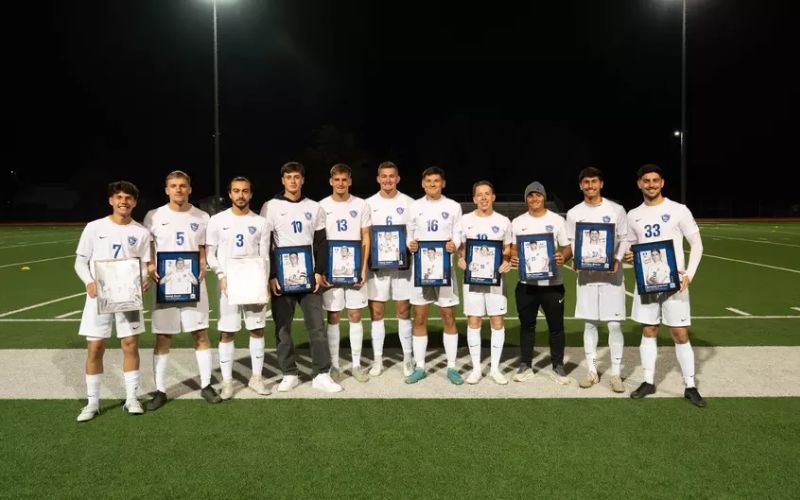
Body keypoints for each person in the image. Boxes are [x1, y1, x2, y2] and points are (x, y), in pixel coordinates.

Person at [624, 164, 705, 407]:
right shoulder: (633, 214)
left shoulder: (678, 210)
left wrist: (689, 274)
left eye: (655, 180)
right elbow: (631, 246)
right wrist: (629, 255)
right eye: (646, 181)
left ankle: (690, 386)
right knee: (648, 330)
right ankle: (648, 381)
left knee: (679, 334)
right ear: (639, 184)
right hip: (647, 282)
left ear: (662, 183)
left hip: (674, 283)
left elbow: (697, 245)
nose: (651, 184)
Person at [142, 170, 221, 410]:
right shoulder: (153, 215)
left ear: (189, 189)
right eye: (174, 186)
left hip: (193, 282)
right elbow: (148, 247)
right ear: (166, 189)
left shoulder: (202, 216)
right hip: (165, 284)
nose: (178, 189)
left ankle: (206, 385)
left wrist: (204, 264)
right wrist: (151, 265)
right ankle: (161, 390)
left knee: (200, 333)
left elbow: (203, 248)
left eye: (183, 185)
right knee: (163, 336)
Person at [261, 162, 342, 393]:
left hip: (309, 277)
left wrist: (319, 272)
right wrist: (272, 275)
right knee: (282, 328)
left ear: (303, 180)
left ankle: (321, 373)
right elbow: (266, 243)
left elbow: (320, 242)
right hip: (283, 278)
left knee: (316, 327)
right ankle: (289, 372)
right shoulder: (271, 206)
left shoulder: (314, 207)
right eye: (289, 177)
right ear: (283, 180)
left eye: (297, 177)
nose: (293, 181)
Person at [74, 181, 152, 422]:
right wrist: (89, 281)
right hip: (99, 295)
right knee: (95, 347)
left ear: (135, 202)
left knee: (130, 344)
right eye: (119, 197)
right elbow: (80, 261)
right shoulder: (94, 227)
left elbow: (145, 264)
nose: (123, 201)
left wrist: (145, 278)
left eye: (128, 198)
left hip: (128, 295)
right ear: (111, 200)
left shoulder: (141, 232)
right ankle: (92, 402)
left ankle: (131, 398)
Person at [206, 176, 271, 400]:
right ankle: (227, 382)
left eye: (245, 191)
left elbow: (264, 256)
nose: (240, 195)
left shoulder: (261, 222)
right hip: (228, 284)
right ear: (230, 194)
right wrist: (221, 275)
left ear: (250, 194)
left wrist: (264, 284)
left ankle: (256, 377)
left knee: (257, 330)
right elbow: (209, 254)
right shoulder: (216, 220)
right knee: (227, 332)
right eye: (236, 191)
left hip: (253, 282)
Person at [565, 166, 629, 393]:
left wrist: (618, 259)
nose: (590, 185)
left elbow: (624, 239)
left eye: (594, 181)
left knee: (614, 324)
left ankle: (615, 373)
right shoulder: (573, 213)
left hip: (612, 276)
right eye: (586, 182)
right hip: (587, 276)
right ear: (580, 185)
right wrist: (575, 259)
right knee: (590, 323)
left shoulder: (616, 209)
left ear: (601, 183)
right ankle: (592, 372)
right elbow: (573, 242)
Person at [405, 166, 464, 385]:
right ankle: (420, 366)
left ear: (443, 183)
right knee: (420, 316)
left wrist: (454, 244)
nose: (432, 184)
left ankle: (451, 367)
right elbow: (409, 233)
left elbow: (458, 233)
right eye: (428, 181)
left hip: (445, 269)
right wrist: (409, 245)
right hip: (421, 270)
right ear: (422, 184)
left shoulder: (453, 206)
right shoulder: (414, 206)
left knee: (448, 316)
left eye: (436, 181)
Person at [510, 181, 573, 384]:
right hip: (526, 284)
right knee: (526, 326)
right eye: (530, 195)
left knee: (556, 327)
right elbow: (512, 248)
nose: (534, 199)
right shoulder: (518, 222)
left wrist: (564, 257)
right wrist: (513, 256)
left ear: (544, 197)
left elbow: (567, 247)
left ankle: (558, 365)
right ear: (526, 198)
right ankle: (526, 364)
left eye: (538, 195)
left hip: (552, 284)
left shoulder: (556, 220)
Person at [319, 164, 371, 382]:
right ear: (331, 181)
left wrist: (363, 269)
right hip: (332, 270)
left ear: (350, 181)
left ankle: (357, 365)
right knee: (333, 316)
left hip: (354, 269)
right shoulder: (322, 206)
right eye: (336, 180)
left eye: (344, 180)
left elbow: (365, 237)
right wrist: (321, 269)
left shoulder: (361, 205)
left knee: (355, 314)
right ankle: (334, 364)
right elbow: (320, 241)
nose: (340, 183)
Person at [458, 180, 513, 385]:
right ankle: (476, 369)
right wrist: (461, 258)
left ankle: (496, 369)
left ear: (493, 197)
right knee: (474, 321)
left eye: (487, 194)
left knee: (497, 321)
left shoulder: (503, 221)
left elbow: (508, 249)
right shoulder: (465, 220)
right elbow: (460, 247)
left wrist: (506, 262)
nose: (483, 198)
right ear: (473, 199)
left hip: (495, 279)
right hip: (472, 278)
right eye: (479, 194)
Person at [365, 161, 415, 377]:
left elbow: (414, 233)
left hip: (402, 266)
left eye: (391, 176)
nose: (387, 180)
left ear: (398, 178)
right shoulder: (367, 204)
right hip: (377, 267)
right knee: (377, 313)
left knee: (403, 311)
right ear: (378, 179)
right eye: (384, 176)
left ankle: (407, 358)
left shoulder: (410, 203)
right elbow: (365, 234)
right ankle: (377, 360)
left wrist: (411, 244)